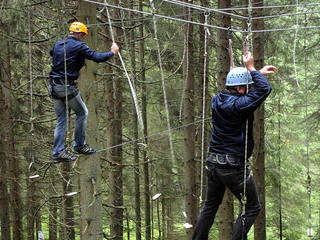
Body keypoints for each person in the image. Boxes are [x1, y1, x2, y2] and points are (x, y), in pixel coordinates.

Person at [192, 52, 276, 240]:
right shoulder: (240, 106)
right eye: (247, 87)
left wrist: (258, 73)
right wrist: (252, 68)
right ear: (239, 89)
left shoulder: (217, 100)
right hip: (232, 167)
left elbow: (252, 90)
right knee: (253, 207)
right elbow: (263, 90)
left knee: (210, 206)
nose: (249, 90)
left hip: (213, 164)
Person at [49, 21, 119, 163]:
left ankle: (58, 152)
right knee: (82, 112)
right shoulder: (79, 46)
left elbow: (52, 53)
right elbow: (97, 57)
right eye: (83, 35)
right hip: (67, 87)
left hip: (54, 87)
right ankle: (79, 145)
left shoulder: (58, 44)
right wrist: (112, 52)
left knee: (61, 120)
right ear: (80, 34)